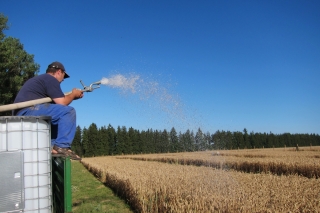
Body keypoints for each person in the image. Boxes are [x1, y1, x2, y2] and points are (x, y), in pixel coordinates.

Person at [14, 61, 83, 160]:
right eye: (63, 76)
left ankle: (52, 147)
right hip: (27, 110)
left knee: (57, 119)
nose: (62, 80)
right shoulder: (50, 79)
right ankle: (61, 146)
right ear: (59, 72)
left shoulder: (42, 80)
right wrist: (73, 94)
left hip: (25, 111)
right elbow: (62, 103)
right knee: (68, 112)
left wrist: (72, 97)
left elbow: (57, 105)